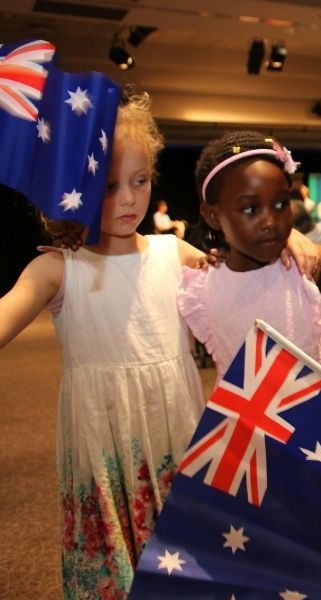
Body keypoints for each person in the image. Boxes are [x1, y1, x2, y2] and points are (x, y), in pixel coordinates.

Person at [0, 93, 209, 597]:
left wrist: (282, 242)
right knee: (116, 575)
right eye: (109, 186)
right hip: (103, 447)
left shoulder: (174, 253)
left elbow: (243, 282)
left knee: (190, 566)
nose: (129, 199)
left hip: (176, 431)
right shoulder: (57, 267)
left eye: (140, 181)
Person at [177, 130, 321, 599]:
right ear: (211, 215)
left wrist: (299, 236)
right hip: (247, 454)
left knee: (317, 569)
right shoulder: (199, 288)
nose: (270, 222)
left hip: (312, 446)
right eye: (249, 208)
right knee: (254, 569)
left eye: (280, 205)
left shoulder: (300, 269)